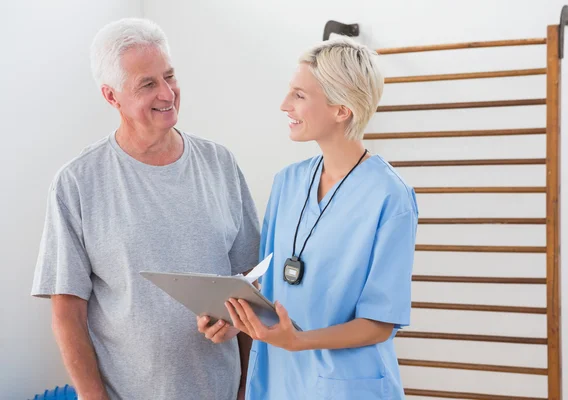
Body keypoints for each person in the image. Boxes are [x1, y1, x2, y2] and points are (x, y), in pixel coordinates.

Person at [31, 18, 259, 400]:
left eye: (169, 76)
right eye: (148, 84)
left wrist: (244, 384)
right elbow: (67, 312)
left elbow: (251, 280)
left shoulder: (221, 164)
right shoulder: (77, 182)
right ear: (111, 96)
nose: (168, 93)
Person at [198, 37, 418, 399]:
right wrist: (232, 314)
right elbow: (268, 283)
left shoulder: (390, 197)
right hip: (278, 380)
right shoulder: (288, 182)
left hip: (346, 386)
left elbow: (380, 322)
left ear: (341, 109)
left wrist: (298, 340)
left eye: (299, 95)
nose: (285, 105)